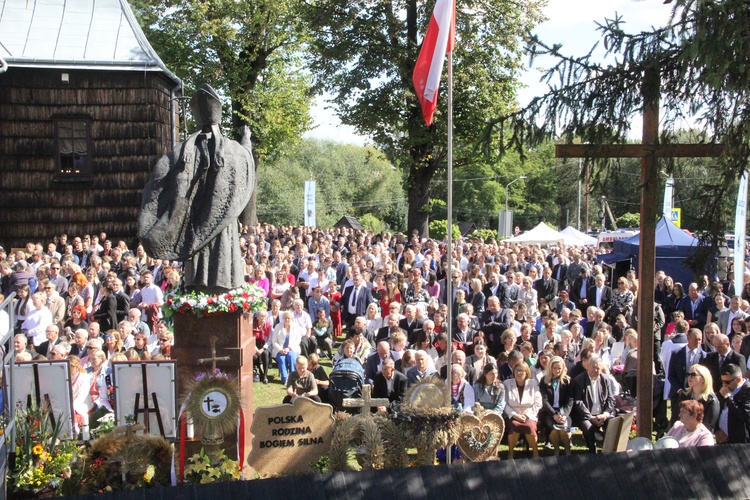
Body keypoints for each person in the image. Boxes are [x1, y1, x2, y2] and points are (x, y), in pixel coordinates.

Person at [139, 84, 254, 293]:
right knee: (222, 251)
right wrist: (247, 142)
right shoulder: (234, 150)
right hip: (222, 228)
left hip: (193, 226)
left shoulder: (181, 152)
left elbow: (157, 183)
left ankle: (198, 286)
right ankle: (222, 286)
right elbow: (246, 160)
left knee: (198, 253)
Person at [573, 355, 614, 453]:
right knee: (588, 428)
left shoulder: (606, 379)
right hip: (587, 415)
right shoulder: (579, 380)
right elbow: (578, 402)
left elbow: (610, 399)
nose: (595, 370)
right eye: (593, 367)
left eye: (598, 368)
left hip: (603, 414)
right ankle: (593, 452)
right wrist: (591, 417)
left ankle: (609, 451)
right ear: (588, 366)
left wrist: (605, 414)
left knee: (613, 423)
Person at [503, 362, 542, 458]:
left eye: (522, 371)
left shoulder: (533, 383)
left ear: (527, 372)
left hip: (529, 414)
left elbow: (538, 403)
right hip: (513, 414)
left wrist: (527, 415)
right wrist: (514, 415)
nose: (519, 373)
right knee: (515, 425)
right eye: (517, 370)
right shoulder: (507, 384)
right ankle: (510, 452)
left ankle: (535, 452)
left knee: (529, 426)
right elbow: (504, 403)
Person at [540, 355, 574, 456]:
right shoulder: (544, 381)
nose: (557, 370)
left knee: (564, 428)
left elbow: (570, 400)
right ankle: (556, 449)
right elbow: (544, 400)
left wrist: (565, 415)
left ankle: (567, 449)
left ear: (563, 368)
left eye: (559, 368)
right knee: (554, 428)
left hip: (563, 411)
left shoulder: (568, 381)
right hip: (549, 412)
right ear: (551, 368)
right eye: (554, 368)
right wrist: (554, 414)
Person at [674, 363, 720, 432]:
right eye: (688, 374)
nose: (689, 377)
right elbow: (675, 417)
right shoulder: (685, 395)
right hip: (681, 433)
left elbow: (708, 426)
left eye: (693, 375)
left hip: (700, 437)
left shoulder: (711, 400)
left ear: (703, 379)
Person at [716, 363, 750, 444]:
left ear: (738, 379)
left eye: (727, 382)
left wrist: (728, 398)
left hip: (740, 442)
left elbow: (744, 416)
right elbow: (716, 411)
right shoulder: (724, 389)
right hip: (723, 439)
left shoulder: (747, 391)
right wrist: (717, 430)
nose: (724, 385)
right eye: (722, 381)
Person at [270, 311, 303, 385]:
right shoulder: (278, 326)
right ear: (283, 318)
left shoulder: (296, 326)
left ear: (292, 319)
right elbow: (274, 340)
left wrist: (289, 348)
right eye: (285, 318)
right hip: (280, 349)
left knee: (291, 357)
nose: (287, 320)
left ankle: (293, 378)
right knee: (282, 359)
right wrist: (280, 349)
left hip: (292, 348)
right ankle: (285, 379)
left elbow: (298, 339)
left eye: (289, 318)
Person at [253, 311, 271, 383]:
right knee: (255, 356)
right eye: (261, 316)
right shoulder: (253, 325)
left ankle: (265, 376)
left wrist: (263, 349)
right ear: (257, 317)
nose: (263, 318)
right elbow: (250, 338)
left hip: (264, 346)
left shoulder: (268, 325)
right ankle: (259, 371)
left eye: (265, 316)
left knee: (265, 354)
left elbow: (270, 340)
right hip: (254, 345)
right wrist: (256, 349)